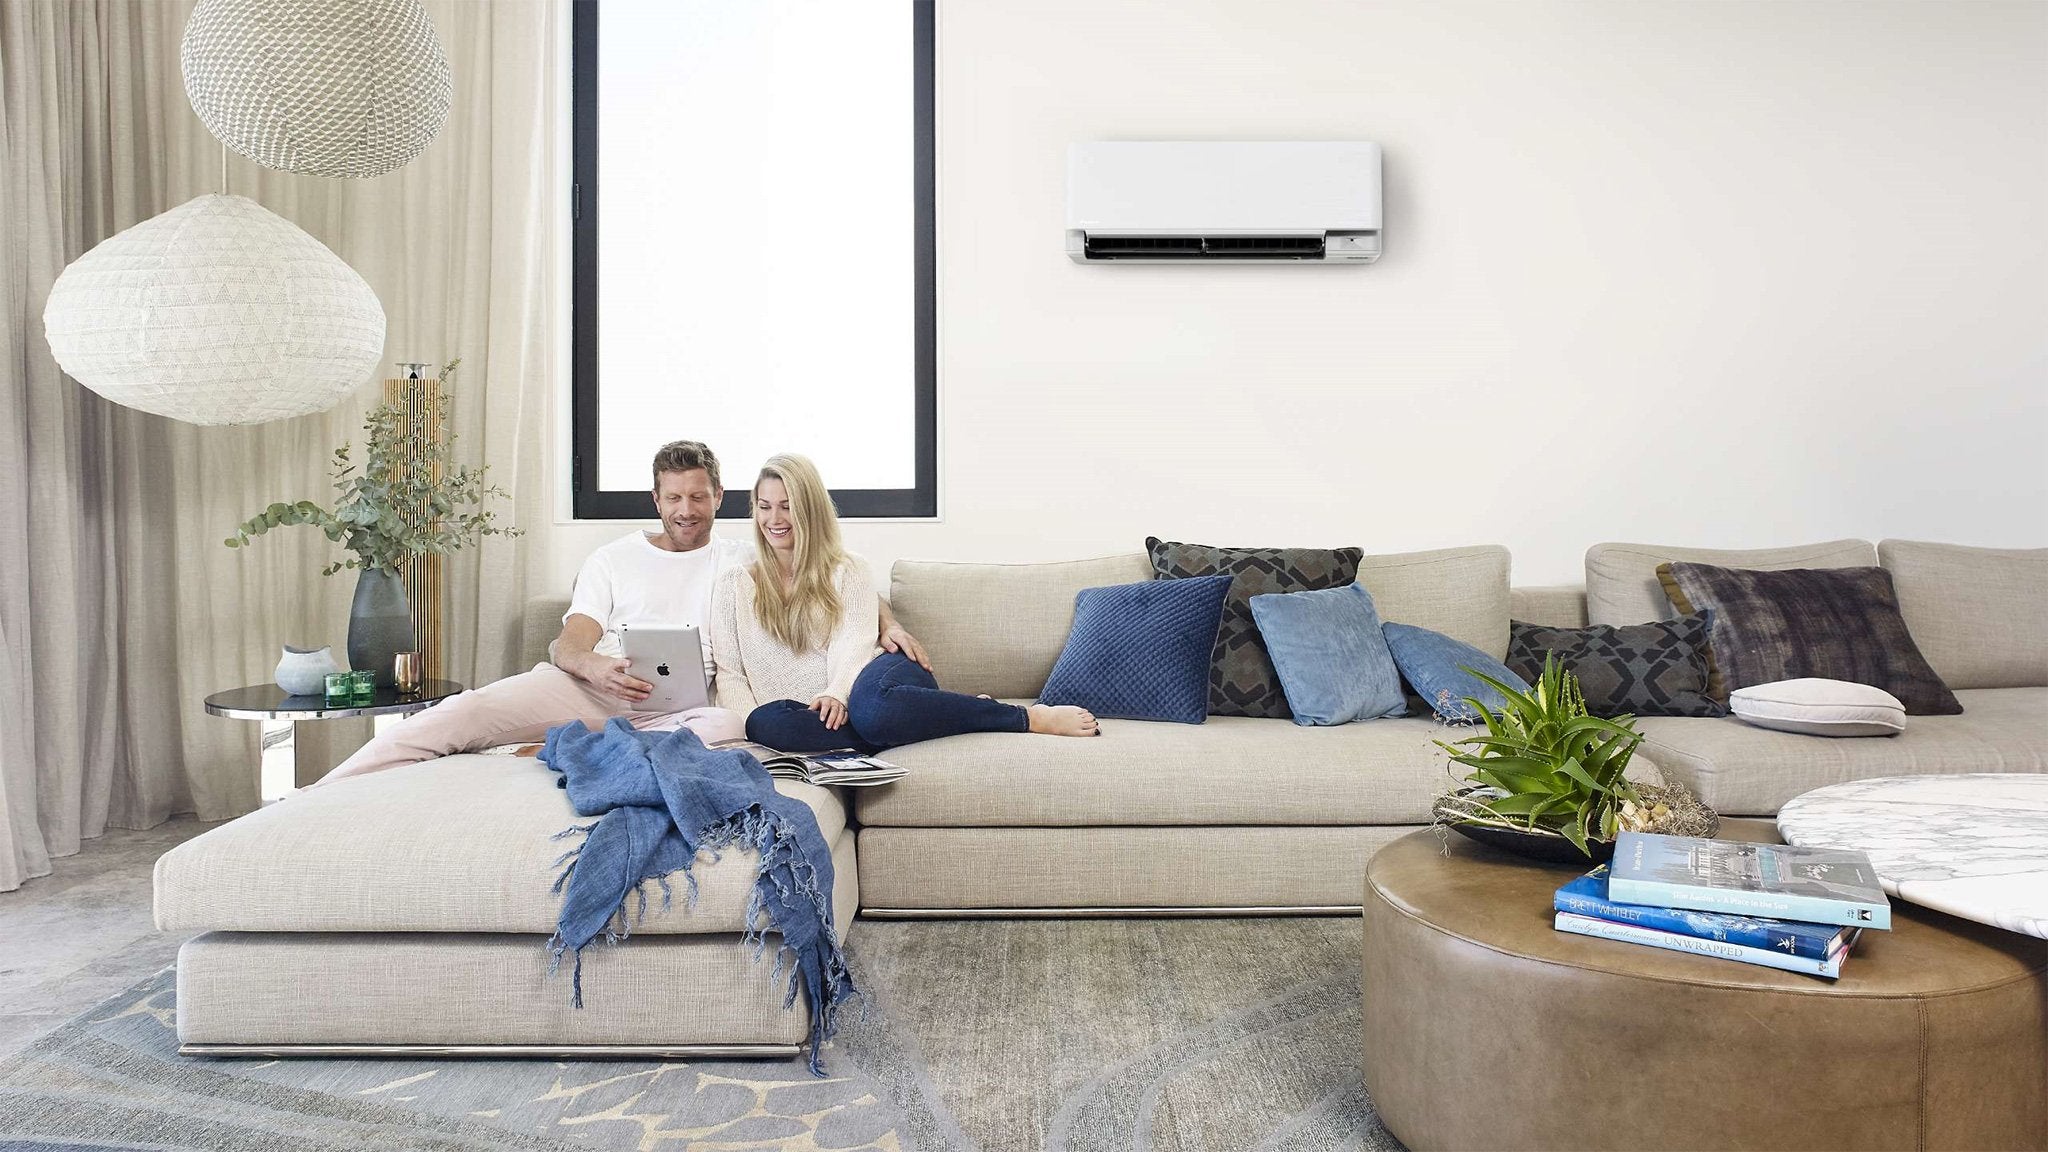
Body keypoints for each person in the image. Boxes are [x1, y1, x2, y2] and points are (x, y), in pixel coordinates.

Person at [315, 441, 929, 785]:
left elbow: (831, 571)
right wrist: (594, 668)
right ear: (655, 499)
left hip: (696, 710)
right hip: (594, 692)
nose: (685, 510)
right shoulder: (613, 560)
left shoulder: (746, 557)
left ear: (719, 497)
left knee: (732, 732)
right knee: (464, 711)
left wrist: (889, 621)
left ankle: (582, 750)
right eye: (672, 498)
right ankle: (323, 793)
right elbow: (567, 645)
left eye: (697, 496)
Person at [712, 453, 1098, 755]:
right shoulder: (734, 583)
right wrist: (752, 733)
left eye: (787, 505)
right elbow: (731, 674)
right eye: (764, 506)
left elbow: (854, 645)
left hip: (875, 676)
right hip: (807, 714)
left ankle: (1023, 718)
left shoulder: (848, 569)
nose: (774, 518)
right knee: (766, 725)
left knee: (876, 712)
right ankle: (940, 714)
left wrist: (836, 693)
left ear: (810, 509)